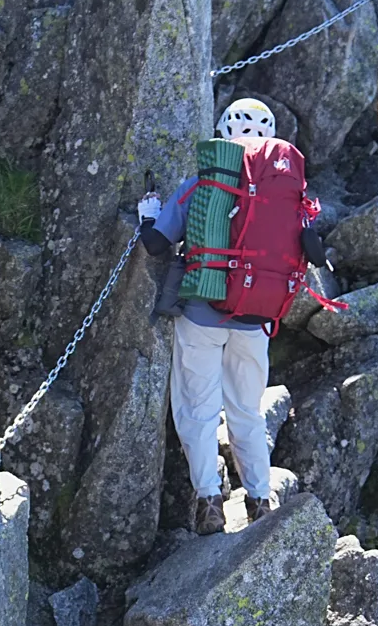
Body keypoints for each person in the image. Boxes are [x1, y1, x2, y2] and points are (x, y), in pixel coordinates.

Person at [136, 97, 329, 536]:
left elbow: (157, 244)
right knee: (247, 411)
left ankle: (209, 503)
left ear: (222, 134)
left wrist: (147, 214)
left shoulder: (205, 182)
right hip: (256, 321)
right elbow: (314, 249)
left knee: (198, 412)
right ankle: (260, 499)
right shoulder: (289, 193)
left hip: (202, 316)